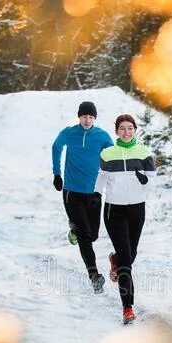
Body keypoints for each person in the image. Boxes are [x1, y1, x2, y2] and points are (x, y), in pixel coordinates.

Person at [95, 114, 155, 324]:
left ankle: (115, 261)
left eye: (130, 128)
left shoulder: (144, 152)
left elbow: (152, 181)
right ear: (116, 131)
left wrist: (144, 179)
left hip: (137, 209)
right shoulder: (107, 153)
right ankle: (127, 308)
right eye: (122, 128)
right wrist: (96, 196)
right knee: (126, 262)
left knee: (130, 254)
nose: (126, 132)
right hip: (114, 210)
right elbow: (101, 177)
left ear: (135, 130)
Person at [51, 101, 113, 293]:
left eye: (91, 117)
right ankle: (94, 275)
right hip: (72, 191)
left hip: (94, 192)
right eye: (84, 116)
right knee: (86, 236)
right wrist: (57, 174)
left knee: (92, 234)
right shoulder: (69, 133)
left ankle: (74, 230)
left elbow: (112, 157)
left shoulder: (102, 136)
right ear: (79, 117)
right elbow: (56, 147)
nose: (87, 120)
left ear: (95, 118)